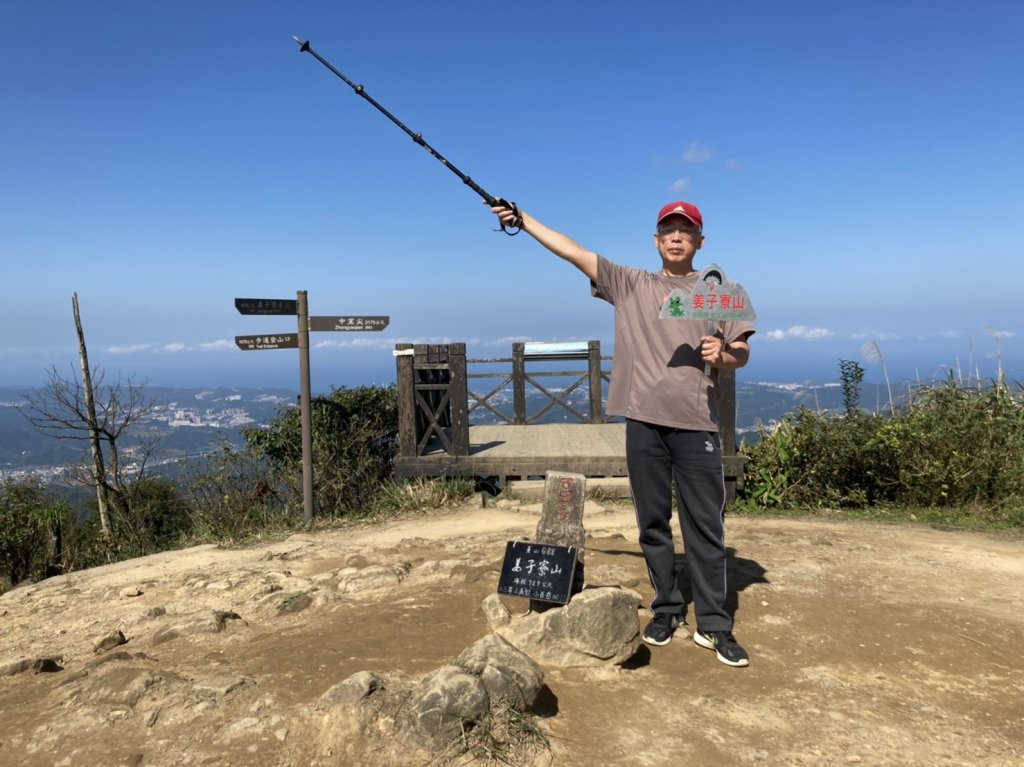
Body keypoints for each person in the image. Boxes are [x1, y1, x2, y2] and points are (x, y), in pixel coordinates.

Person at [491, 200, 755, 667]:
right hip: (643, 423)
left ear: (700, 242)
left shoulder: (722, 292)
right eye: (668, 231)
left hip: (697, 425)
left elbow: (741, 354)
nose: (676, 237)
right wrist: (523, 220)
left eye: (686, 231)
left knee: (705, 528)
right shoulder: (631, 284)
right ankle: (666, 609)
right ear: (655, 241)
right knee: (652, 525)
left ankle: (714, 625)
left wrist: (724, 356)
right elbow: (573, 252)